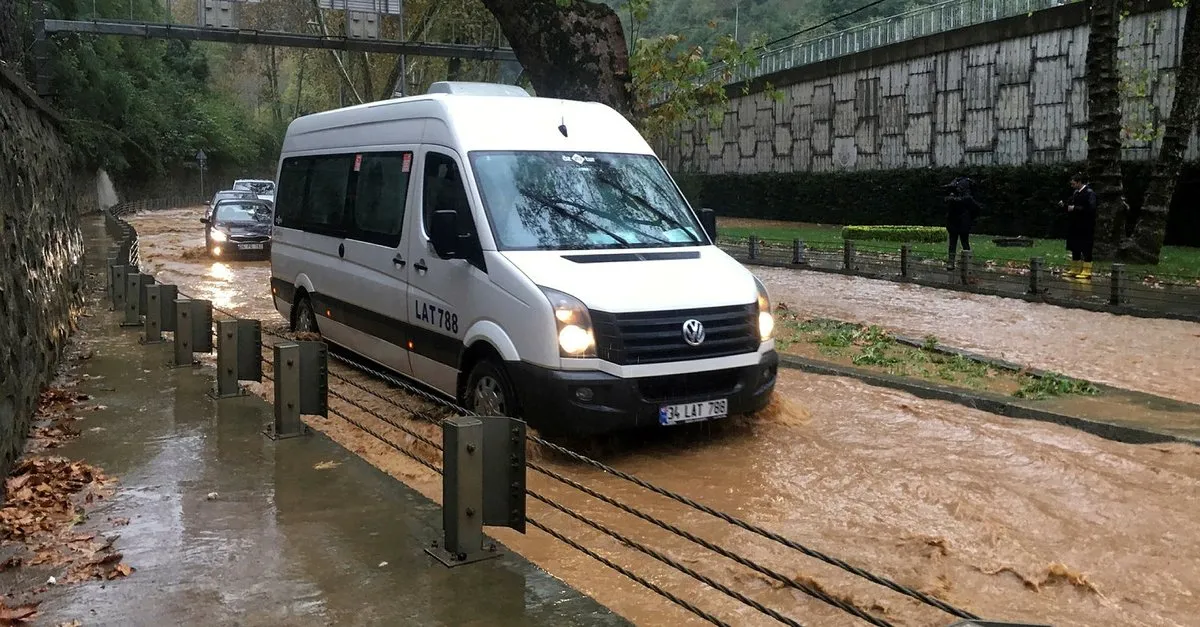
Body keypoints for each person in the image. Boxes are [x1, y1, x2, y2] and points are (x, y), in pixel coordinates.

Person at [1060, 173, 1097, 280]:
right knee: (1075, 246)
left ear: (1079, 182)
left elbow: (1091, 208)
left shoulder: (1089, 193)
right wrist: (1065, 206)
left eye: (1073, 183)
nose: (1072, 185)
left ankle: (1087, 269)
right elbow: (1071, 206)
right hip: (1075, 224)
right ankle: (1075, 268)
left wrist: (1075, 208)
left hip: (1085, 225)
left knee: (1086, 246)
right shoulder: (1076, 193)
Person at [943, 176, 981, 270]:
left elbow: (973, 204)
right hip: (953, 221)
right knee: (953, 242)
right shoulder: (953, 195)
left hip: (963, 221)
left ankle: (967, 262)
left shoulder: (967, 196)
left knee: (964, 242)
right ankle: (952, 262)